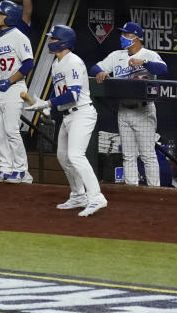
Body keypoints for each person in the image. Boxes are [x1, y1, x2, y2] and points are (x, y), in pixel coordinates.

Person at [24, 25, 107, 216]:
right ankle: (79, 195)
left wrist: (48, 103)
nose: (50, 41)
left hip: (82, 114)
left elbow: (73, 94)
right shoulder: (56, 63)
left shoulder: (73, 62)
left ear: (63, 42)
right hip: (68, 115)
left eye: (53, 39)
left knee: (76, 155)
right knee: (63, 156)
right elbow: (59, 90)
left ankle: (96, 197)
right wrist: (47, 107)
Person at [90, 22, 168, 187]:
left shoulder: (148, 54)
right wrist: (101, 72)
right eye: (122, 34)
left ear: (136, 37)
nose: (122, 37)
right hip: (124, 110)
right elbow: (94, 68)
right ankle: (131, 190)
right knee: (128, 155)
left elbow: (163, 69)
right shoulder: (116, 55)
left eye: (126, 35)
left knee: (147, 155)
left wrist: (144, 62)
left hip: (144, 110)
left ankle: (155, 191)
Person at [0, 0, 34, 184]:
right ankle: (5, 168)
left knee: (11, 130)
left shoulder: (19, 37)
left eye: (1, 13)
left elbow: (29, 63)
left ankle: (21, 170)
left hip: (13, 88)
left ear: (10, 16)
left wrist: (9, 80)